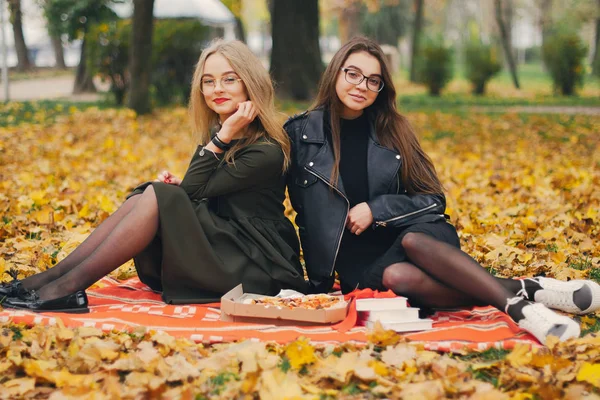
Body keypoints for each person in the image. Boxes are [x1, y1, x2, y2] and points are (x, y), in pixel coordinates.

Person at [284, 36, 599, 344]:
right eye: (353, 74)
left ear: (381, 88)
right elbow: (290, 211)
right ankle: (525, 288)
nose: (361, 86)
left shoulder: (394, 130)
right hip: (359, 262)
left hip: (419, 237)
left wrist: (375, 209)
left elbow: (433, 199)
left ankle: (521, 310)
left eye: (373, 80)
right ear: (335, 71)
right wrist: (313, 282)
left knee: (412, 240)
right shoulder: (300, 134)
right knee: (397, 277)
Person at [0, 40, 307, 313]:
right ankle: (51, 280)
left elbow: (192, 191)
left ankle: (63, 288)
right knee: (150, 193)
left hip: (255, 264)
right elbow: (196, 190)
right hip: (223, 243)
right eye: (208, 81)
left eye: (229, 79)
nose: (217, 89)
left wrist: (221, 138)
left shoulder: (267, 147)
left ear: (250, 83)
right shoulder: (225, 133)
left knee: (164, 195)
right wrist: (215, 145)